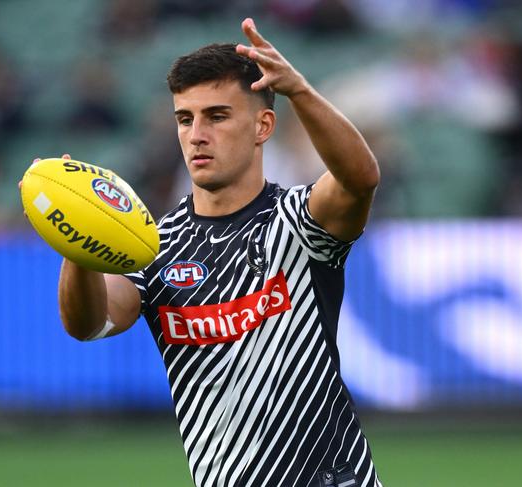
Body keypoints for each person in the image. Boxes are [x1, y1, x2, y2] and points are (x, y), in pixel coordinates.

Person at [53, 18, 381, 487]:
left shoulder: (298, 221)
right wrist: (77, 245)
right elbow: (89, 323)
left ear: (262, 125)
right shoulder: (152, 246)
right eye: (185, 119)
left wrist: (299, 92)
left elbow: (360, 179)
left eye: (217, 116)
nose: (196, 134)